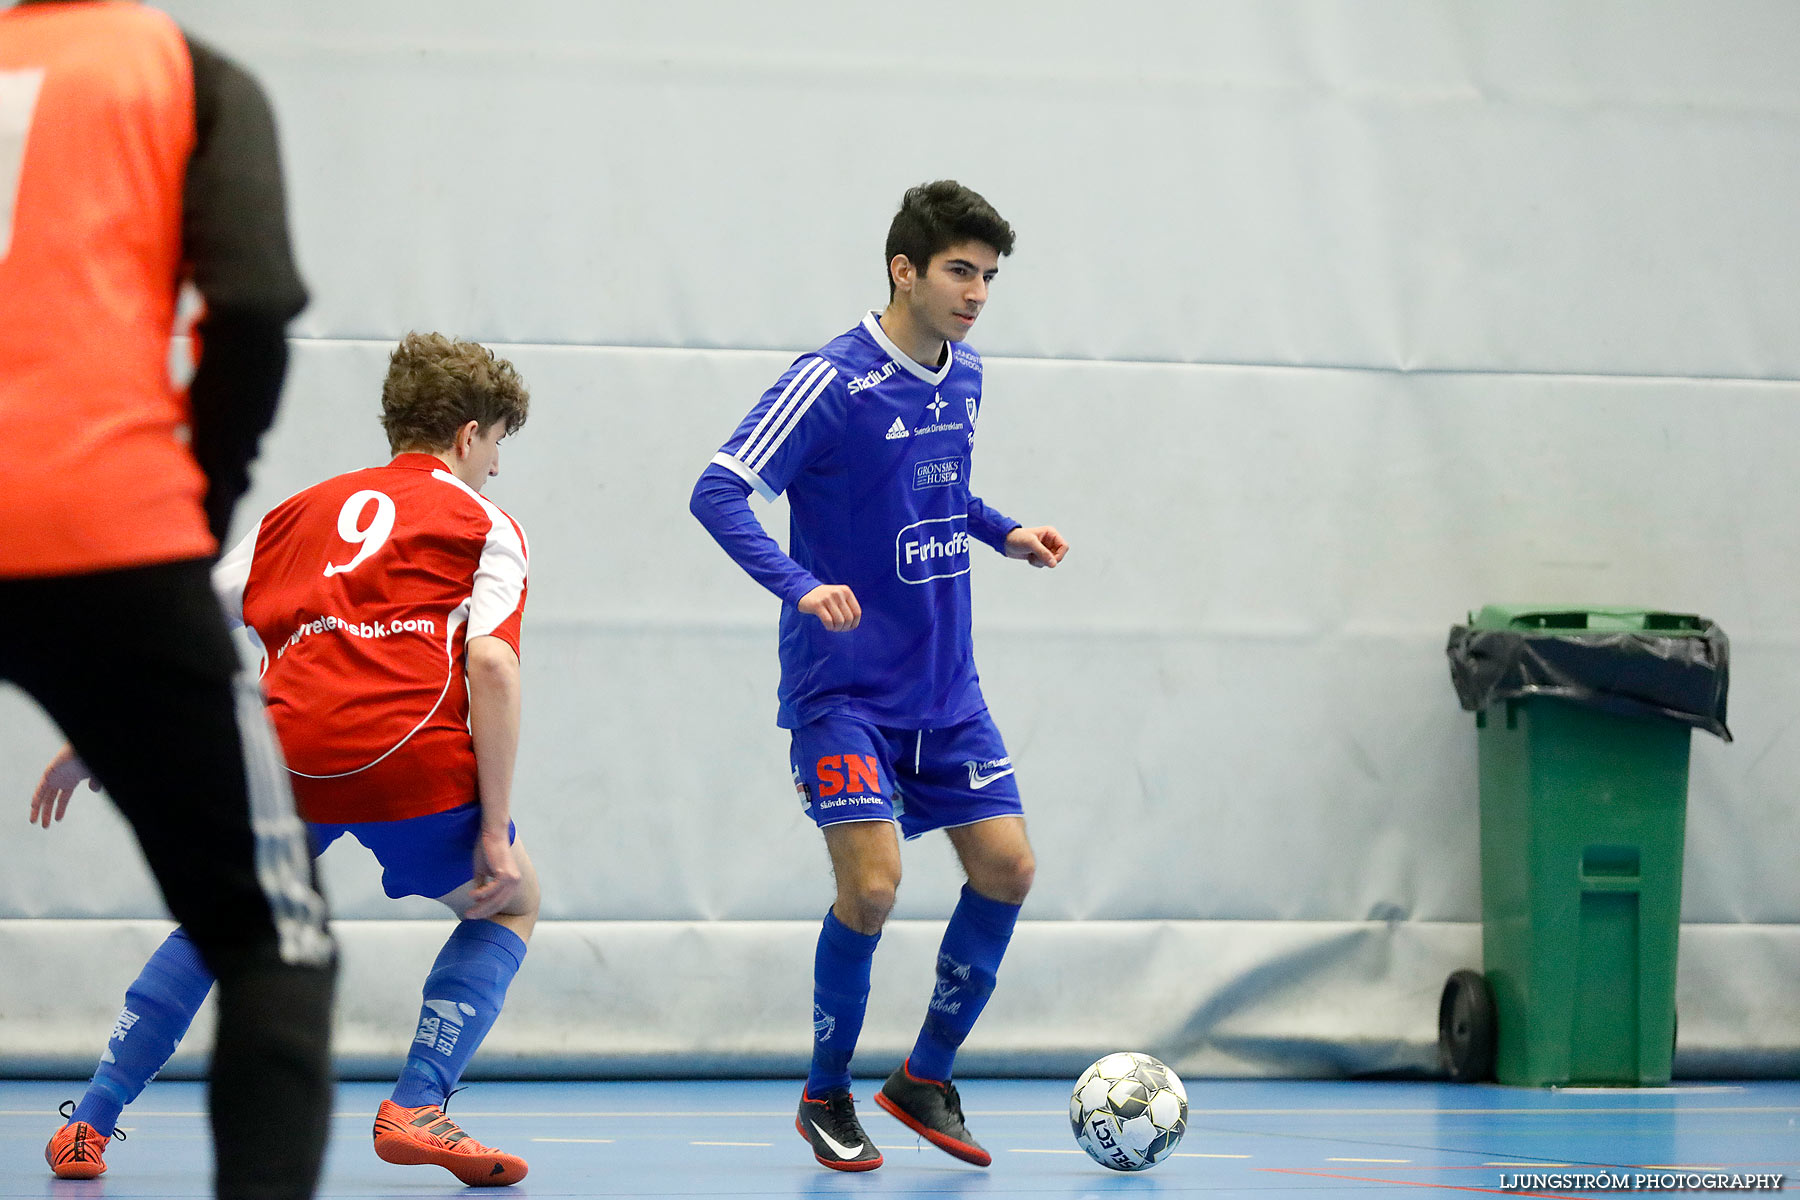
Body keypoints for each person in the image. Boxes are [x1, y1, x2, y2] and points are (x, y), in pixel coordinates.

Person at [33, 333, 541, 1188]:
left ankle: (90, 1120)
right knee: (510, 903)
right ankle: (418, 1102)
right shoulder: (484, 523)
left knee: (222, 921)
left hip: (287, 763)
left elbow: (184, 618)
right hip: (408, 761)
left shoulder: (295, 515)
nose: (495, 468)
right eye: (496, 446)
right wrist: (493, 829)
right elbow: (491, 665)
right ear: (465, 437)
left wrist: (94, 738)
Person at [1, 2, 335, 1196]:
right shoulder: (188, 74)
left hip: (103, 532)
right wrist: (198, 511)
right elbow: (254, 304)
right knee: (270, 941)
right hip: (106, 532)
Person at [690, 180, 1069, 1171]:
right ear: (904, 269)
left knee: (1009, 868)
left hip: (948, 689)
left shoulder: (969, 374)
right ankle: (826, 1094)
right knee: (873, 890)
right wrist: (799, 584)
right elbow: (718, 489)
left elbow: (935, 485)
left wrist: (1005, 532)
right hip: (845, 691)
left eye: (989, 276)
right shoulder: (831, 380)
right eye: (959, 271)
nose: (977, 293)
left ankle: (924, 1078)